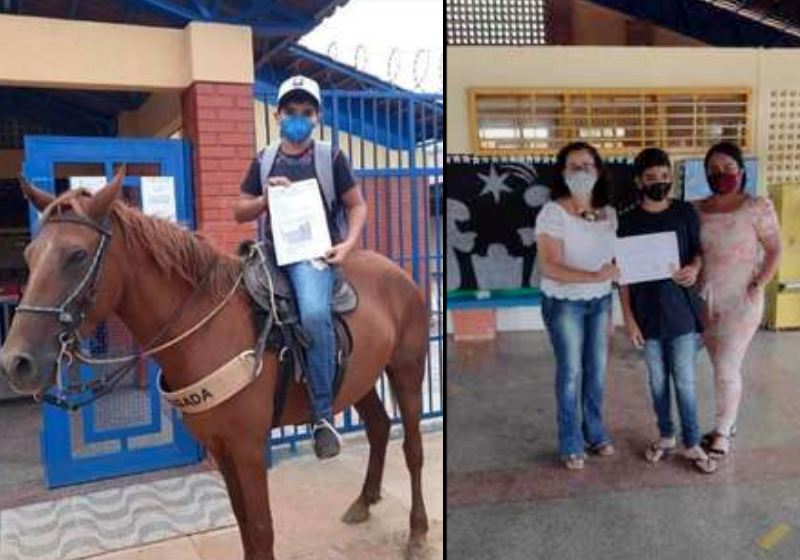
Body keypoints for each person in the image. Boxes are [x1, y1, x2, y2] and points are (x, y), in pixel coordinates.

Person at [234, 75, 368, 459]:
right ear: (277, 115)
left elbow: (357, 206)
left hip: (315, 256)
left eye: (306, 112)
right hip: (272, 254)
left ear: (317, 117)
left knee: (312, 314)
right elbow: (238, 210)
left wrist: (347, 246)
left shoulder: (331, 158)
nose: (298, 117)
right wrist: (264, 200)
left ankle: (322, 416)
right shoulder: (264, 159)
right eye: (291, 111)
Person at [618, 148, 716, 474]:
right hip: (646, 317)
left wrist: (693, 267)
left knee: (685, 381)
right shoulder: (627, 221)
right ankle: (666, 436)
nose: (658, 182)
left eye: (663, 177)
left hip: (682, 313)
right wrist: (629, 320)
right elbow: (624, 279)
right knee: (657, 382)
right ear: (638, 181)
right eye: (650, 178)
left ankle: (691, 442)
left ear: (670, 178)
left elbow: (698, 254)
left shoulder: (685, 212)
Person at [534, 141, 619, 470]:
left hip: (600, 301)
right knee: (570, 372)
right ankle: (570, 441)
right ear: (563, 173)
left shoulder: (609, 213)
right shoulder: (552, 213)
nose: (582, 171)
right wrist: (594, 275)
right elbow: (550, 266)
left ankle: (595, 432)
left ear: (598, 170)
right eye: (574, 166)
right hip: (564, 303)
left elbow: (615, 257)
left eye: (588, 165)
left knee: (596, 372)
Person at [696, 142, 781, 458]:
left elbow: (774, 249)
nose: (721, 175)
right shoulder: (697, 209)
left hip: (741, 300)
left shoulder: (756, 206)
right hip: (705, 302)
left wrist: (760, 282)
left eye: (728, 169)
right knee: (719, 366)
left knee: (727, 369)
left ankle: (722, 433)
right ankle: (727, 423)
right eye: (714, 171)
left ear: (741, 171)